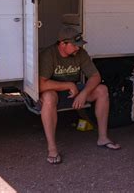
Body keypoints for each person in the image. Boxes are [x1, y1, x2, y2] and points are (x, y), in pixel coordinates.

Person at [39, 25, 121, 164]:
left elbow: (95, 76)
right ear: (63, 44)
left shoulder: (80, 53)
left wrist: (84, 93)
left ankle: (103, 138)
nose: (78, 48)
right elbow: (41, 84)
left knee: (102, 90)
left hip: (76, 90)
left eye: (79, 45)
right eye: (75, 45)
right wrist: (68, 85)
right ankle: (52, 148)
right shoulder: (49, 54)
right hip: (55, 91)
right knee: (48, 98)